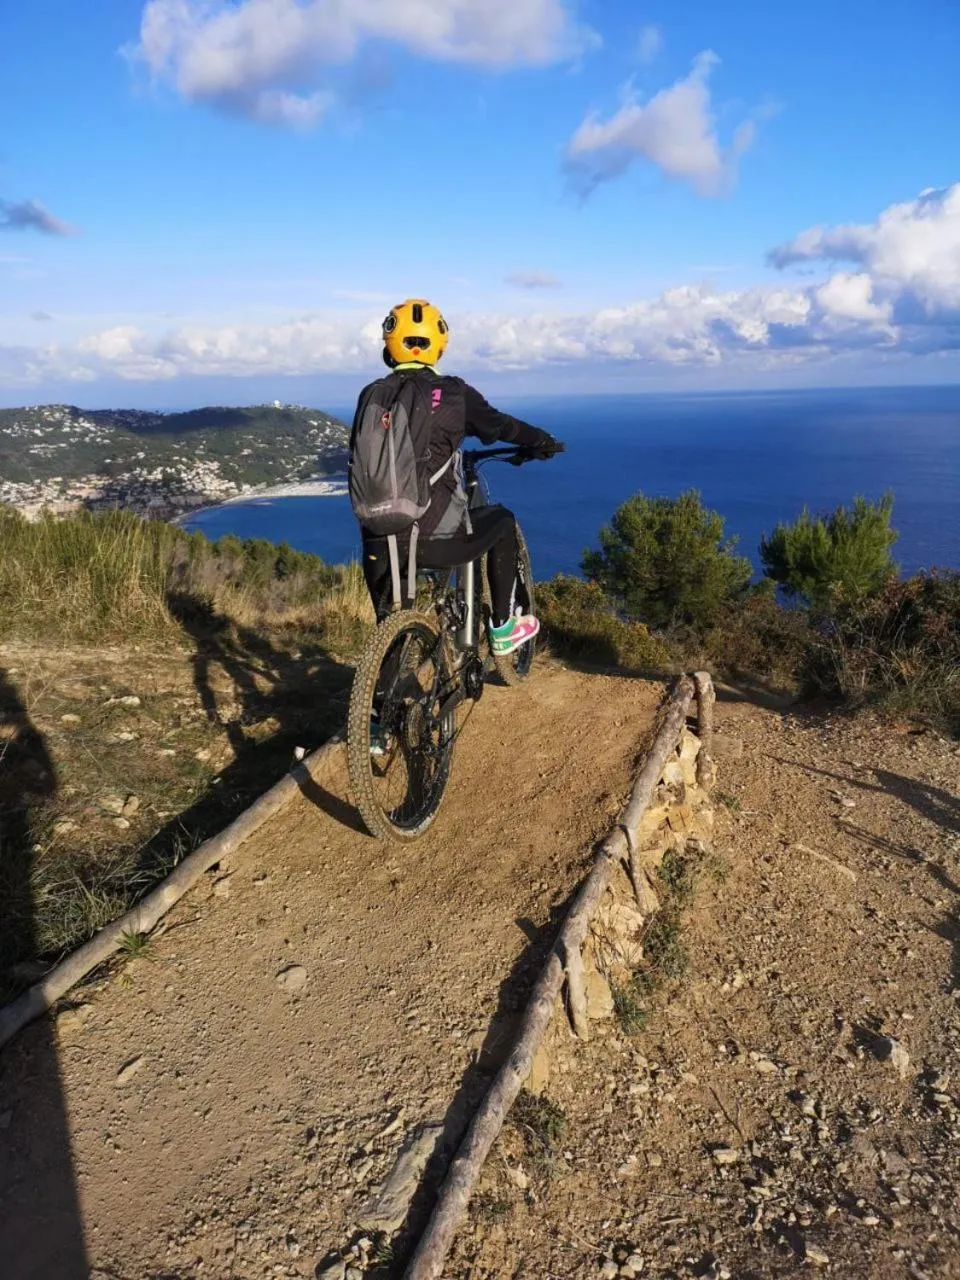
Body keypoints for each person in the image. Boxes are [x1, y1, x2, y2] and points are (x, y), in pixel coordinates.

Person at [352, 298, 562, 656]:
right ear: (438, 345)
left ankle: (378, 707)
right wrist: (541, 441)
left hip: (378, 542)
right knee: (503, 521)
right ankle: (502, 627)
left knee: (389, 641)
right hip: (437, 540)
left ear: (390, 345)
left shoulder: (371, 394)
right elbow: (501, 426)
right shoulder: (452, 392)